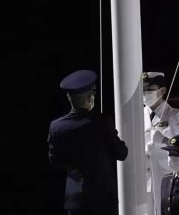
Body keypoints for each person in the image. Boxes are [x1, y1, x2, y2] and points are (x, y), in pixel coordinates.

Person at [48, 69, 128, 215]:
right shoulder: (101, 122)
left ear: (69, 97)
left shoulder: (56, 126)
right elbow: (122, 153)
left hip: (75, 201)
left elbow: (56, 162)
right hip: (102, 200)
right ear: (90, 98)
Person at [144, 72, 179, 215]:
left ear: (162, 91)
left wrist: (164, 140)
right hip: (144, 179)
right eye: (143, 90)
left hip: (166, 177)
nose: (145, 93)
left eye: (149, 90)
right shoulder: (138, 115)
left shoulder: (174, 115)